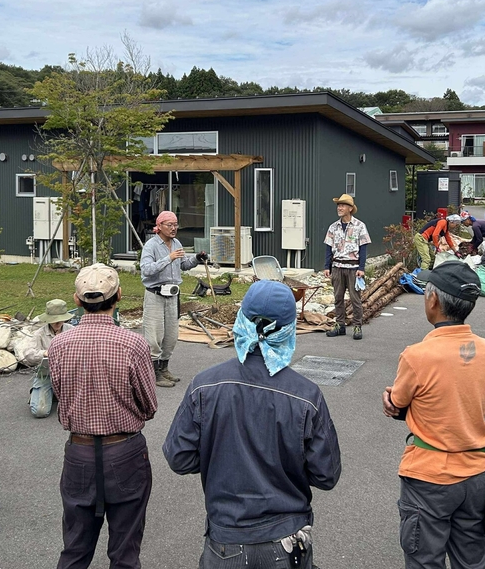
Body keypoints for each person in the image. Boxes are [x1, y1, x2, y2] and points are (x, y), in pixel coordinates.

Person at [164, 280, 341, 568]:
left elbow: (179, 457)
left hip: (225, 540)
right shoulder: (307, 396)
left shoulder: (204, 385)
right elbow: (326, 475)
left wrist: (217, 453)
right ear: (288, 329)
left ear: (241, 321)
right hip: (287, 542)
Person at [383, 261, 485, 568]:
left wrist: (389, 399)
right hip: (478, 471)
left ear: (432, 300)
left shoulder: (418, 355)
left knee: (425, 559)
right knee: (472, 561)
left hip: (430, 475)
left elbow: (397, 402)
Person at [48, 263, 158, 569]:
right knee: (125, 551)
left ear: (77, 300)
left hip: (79, 450)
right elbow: (149, 405)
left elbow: (59, 393)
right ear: (119, 296)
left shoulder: (58, 344)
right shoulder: (134, 344)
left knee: (75, 548)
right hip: (124, 450)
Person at [139, 210, 207, 387]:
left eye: (176, 224)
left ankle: (163, 368)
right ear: (159, 226)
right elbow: (146, 270)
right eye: (170, 225)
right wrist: (168, 258)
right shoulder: (151, 246)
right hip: (155, 294)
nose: (174, 228)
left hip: (172, 296)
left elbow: (183, 265)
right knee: (154, 335)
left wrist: (197, 259)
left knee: (171, 336)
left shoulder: (176, 243)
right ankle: (153, 373)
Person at [324, 193, 372, 340]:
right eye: (338, 205)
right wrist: (327, 266)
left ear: (350, 208)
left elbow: (363, 248)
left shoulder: (360, 226)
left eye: (343, 205)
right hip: (337, 266)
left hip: (353, 267)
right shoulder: (333, 227)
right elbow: (328, 247)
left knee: (355, 298)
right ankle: (340, 325)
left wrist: (361, 268)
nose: (339, 208)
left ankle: (357, 326)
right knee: (338, 297)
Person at [21, 299, 70, 419]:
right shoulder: (40, 333)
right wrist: (44, 353)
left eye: (60, 319)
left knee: (83, 408)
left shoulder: (72, 330)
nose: (57, 323)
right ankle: (41, 392)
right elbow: (27, 355)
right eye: (54, 320)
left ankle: (58, 394)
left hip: (70, 375)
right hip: (47, 375)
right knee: (40, 411)